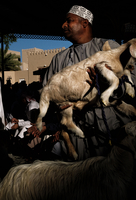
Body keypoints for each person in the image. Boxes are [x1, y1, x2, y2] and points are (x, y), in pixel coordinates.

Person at [42, 5, 136, 160]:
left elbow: (132, 81)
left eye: (69, 21)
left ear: (84, 23)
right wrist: (56, 105)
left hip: (110, 131)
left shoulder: (108, 47)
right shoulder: (59, 59)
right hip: (77, 137)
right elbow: (46, 93)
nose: (63, 25)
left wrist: (113, 86)